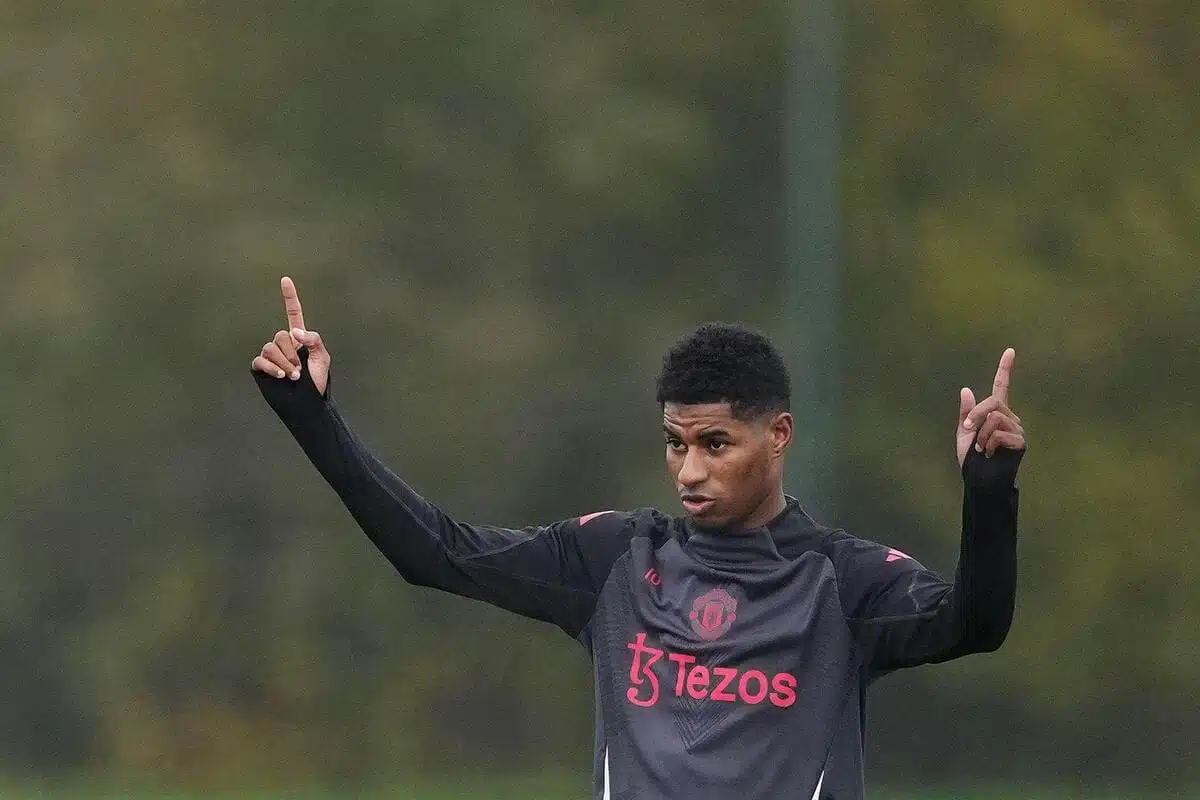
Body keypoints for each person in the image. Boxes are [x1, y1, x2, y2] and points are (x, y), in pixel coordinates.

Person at [251, 276, 1026, 800]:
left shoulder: (843, 582)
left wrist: (989, 499)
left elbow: (975, 624)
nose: (689, 469)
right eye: (674, 443)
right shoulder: (616, 558)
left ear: (779, 435)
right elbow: (436, 553)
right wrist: (313, 420)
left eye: (715, 444)